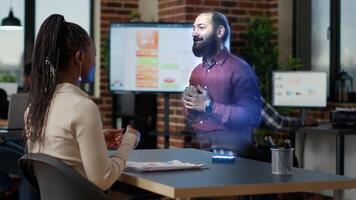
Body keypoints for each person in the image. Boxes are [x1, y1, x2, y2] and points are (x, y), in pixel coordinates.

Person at [25, 14, 140, 191]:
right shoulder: (82, 107)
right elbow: (103, 179)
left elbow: (60, 150)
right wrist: (129, 141)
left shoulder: (34, 109)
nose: (95, 61)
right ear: (79, 58)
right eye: (94, 54)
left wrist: (97, 136)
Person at [182, 11, 264, 161]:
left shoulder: (239, 69)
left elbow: (252, 116)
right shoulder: (196, 72)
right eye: (194, 28)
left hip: (233, 154)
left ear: (219, 32)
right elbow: (192, 117)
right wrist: (189, 104)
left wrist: (209, 105)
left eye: (201, 27)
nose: (194, 33)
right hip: (200, 151)